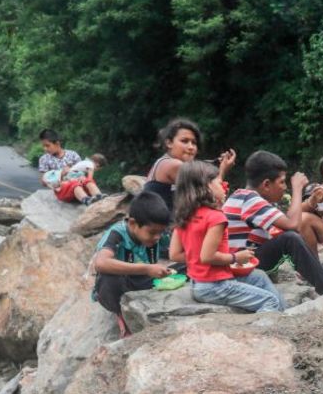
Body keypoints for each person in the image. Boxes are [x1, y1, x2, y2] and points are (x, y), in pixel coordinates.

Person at [169, 160, 284, 313]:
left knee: (259, 276)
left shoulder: (185, 215)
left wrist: (200, 259)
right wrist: (236, 257)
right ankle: (259, 334)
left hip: (197, 284)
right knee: (270, 301)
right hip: (216, 285)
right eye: (219, 182)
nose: (224, 186)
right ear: (207, 186)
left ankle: (286, 316)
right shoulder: (216, 217)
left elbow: (175, 254)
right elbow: (208, 256)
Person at [222, 151, 323, 295]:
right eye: (282, 182)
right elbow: (293, 225)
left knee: (288, 237)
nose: (285, 187)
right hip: (238, 264)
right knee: (290, 239)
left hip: (240, 261)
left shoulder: (243, 196)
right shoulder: (251, 200)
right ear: (266, 184)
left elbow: (287, 219)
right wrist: (297, 188)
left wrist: (311, 201)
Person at [90, 191, 174, 335]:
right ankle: (121, 313)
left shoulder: (158, 234)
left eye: (161, 232)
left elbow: (174, 252)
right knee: (108, 278)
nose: (158, 237)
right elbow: (101, 263)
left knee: (185, 268)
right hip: (123, 283)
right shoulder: (117, 233)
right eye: (153, 232)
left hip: (144, 281)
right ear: (133, 223)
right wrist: (146, 268)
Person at [143, 117, 235, 213]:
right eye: (184, 141)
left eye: (194, 143)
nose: (191, 147)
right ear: (169, 143)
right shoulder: (173, 165)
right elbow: (213, 195)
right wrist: (223, 170)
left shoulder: (165, 162)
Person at [37, 129, 102, 205]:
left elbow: (83, 171)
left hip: (79, 183)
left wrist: (83, 176)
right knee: (74, 184)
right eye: (43, 146)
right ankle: (87, 200)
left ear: (57, 144)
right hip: (63, 189)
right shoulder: (44, 159)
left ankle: (99, 197)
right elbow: (43, 182)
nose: (45, 149)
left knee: (88, 180)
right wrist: (61, 174)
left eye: (47, 146)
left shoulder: (73, 155)